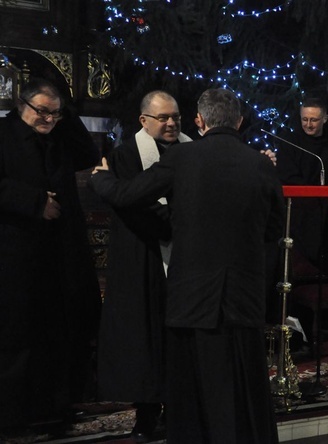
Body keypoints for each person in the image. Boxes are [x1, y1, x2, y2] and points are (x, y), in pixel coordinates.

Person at [90, 88, 284, 444]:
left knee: (193, 392)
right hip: (243, 296)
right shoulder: (260, 163)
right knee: (242, 387)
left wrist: (101, 178)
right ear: (239, 121)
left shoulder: (183, 157)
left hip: (193, 297)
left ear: (200, 121)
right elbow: (273, 229)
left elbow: (128, 195)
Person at [0, 78, 101, 430]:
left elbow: (89, 155)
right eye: (41, 111)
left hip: (59, 253)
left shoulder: (59, 134)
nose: (47, 119)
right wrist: (34, 203)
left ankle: (54, 406)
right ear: (21, 105)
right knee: (17, 335)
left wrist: (65, 114)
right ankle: (12, 413)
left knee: (57, 333)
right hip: (15, 253)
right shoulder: (3, 133)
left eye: (54, 113)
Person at [97, 90, 192, 442]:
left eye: (175, 117)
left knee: (178, 336)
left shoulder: (191, 150)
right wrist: (171, 221)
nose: (171, 123)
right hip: (141, 255)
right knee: (144, 338)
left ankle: (179, 406)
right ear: (144, 121)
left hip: (182, 258)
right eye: (163, 118)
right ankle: (147, 412)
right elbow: (133, 204)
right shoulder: (125, 156)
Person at [275, 97, 328, 267]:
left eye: (314, 120)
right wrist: (319, 198)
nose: (308, 124)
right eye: (305, 119)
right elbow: (288, 177)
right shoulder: (290, 141)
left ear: (325, 119)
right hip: (299, 216)